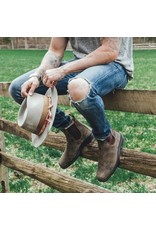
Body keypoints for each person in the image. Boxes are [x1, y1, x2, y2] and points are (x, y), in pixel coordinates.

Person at [9, 37, 134, 182]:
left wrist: (63, 70)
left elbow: (110, 51)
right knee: (18, 89)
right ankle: (74, 132)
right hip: (80, 65)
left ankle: (107, 139)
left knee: (78, 87)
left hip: (114, 65)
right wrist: (38, 76)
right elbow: (55, 51)